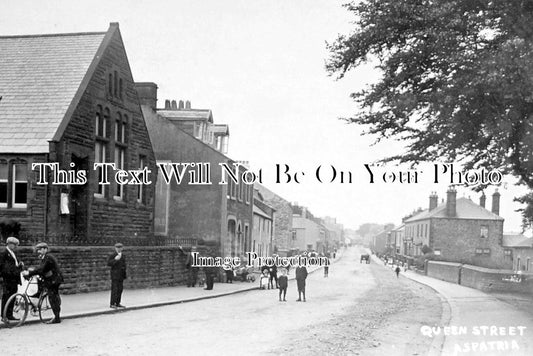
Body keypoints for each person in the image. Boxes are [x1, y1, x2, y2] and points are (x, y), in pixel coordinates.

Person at [24, 242, 63, 324]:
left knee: (52, 298)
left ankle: (57, 318)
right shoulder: (45, 257)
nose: (39, 251)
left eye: (40, 250)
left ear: (45, 249)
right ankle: (38, 299)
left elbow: (42, 269)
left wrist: (30, 273)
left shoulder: (48, 257)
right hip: (51, 279)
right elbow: (41, 269)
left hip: (54, 280)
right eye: (38, 250)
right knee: (50, 294)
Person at [0, 237, 24, 321]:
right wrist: (17, 269)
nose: (16, 246)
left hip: (14, 279)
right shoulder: (4, 253)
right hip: (8, 279)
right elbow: (5, 268)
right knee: (6, 297)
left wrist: (20, 264)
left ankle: (9, 315)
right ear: (9, 244)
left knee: (12, 297)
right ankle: (4, 316)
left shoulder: (12, 253)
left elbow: (14, 264)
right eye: (14, 245)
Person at [107, 243, 127, 308]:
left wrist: (124, 273)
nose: (119, 249)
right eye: (117, 248)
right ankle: (112, 303)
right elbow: (109, 263)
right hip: (115, 275)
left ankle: (118, 303)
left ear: (122, 248)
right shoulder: (112, 255)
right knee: (114, 290)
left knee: (120, 289)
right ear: (115, 248)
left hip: (121, 275)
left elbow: (124, 264)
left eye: (120, 248)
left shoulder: (123, 255)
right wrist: (115, 260)